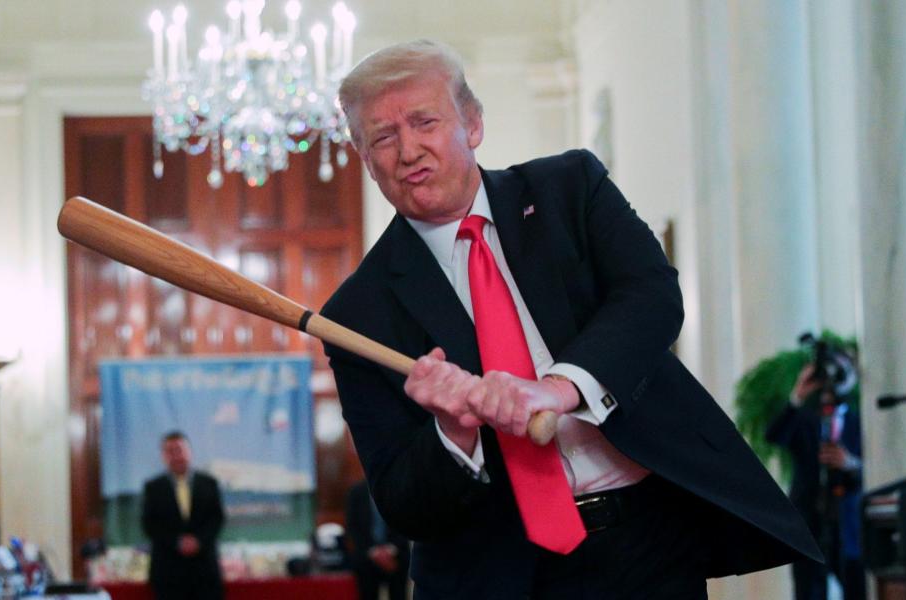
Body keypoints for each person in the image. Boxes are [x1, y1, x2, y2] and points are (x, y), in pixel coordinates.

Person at [320, 39, 822, 599]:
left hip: (646, 544)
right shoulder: (356, 315)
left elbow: (652, 296)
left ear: (473, 123)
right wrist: (454, 433)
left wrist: (559, 390)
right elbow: (402, 503)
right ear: (366, 160)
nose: (408, 151)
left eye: (424, 122)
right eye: (383, 138)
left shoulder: (568, 189)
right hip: (496, 572)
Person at [766, 362, 866, 600]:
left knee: (856, 587)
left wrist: (850, 462)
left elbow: (878, 466)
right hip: (809, 520)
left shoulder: (858, 422)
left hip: (847, 520)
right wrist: (798, 393)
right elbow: (773, 435)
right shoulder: (804, 420)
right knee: (808, 589)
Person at [141, 431, 224, 600]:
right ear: (163, 456)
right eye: (170, 451)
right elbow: (149, 524)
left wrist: (198, 540)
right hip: (167, 573)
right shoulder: (153, 487)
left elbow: (217, 519)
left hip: (205, 572)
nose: (175, 456)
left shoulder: (209, 483)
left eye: (179, 450)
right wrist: (177, 542)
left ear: (189, 452)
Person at [345, 479, 410, 600]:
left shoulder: (399, 490)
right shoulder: (356, 492)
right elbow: (352, 527)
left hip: (396, 555)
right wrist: (375, 552)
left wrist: (389, 550)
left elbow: (407, 522)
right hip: (367, 556)